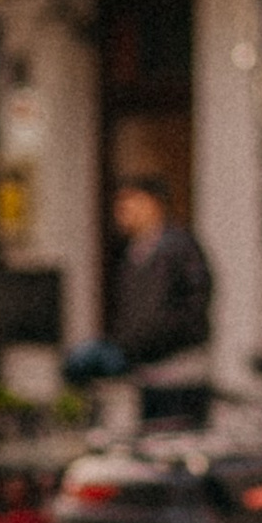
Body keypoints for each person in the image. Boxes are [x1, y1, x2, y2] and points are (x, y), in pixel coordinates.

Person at [66, 171, 215, 413]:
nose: (121, 210)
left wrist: (134, 345)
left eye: (128, 201)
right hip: (147, 372)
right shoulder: (133, 253)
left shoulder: (178, 247)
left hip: (179, 372)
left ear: (152, 203)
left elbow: (190, 308)